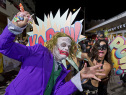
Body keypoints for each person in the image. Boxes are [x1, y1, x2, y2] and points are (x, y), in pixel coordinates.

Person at [0, 11, 105, 95]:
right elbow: (4, 46)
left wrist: (80, 77)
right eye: (63, 45)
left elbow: (58, 93)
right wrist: (15, 25)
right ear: (53, 45)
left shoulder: (61, 70)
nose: (66, 49)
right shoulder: (38, 51)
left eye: (69, 47)